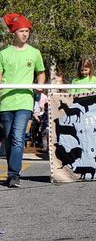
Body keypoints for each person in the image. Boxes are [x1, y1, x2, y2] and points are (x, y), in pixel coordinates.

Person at [0, 13, 45, 188]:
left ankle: (13, 175)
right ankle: (12, 170)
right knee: (9, 139)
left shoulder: (35, 53)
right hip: (5, 101)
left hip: (24, 101)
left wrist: (39, 88)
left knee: (18, 137)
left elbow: (41, 72)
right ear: (14, 33)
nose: (25, 34)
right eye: (21, 31)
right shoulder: (3, 54)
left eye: (27, 31)